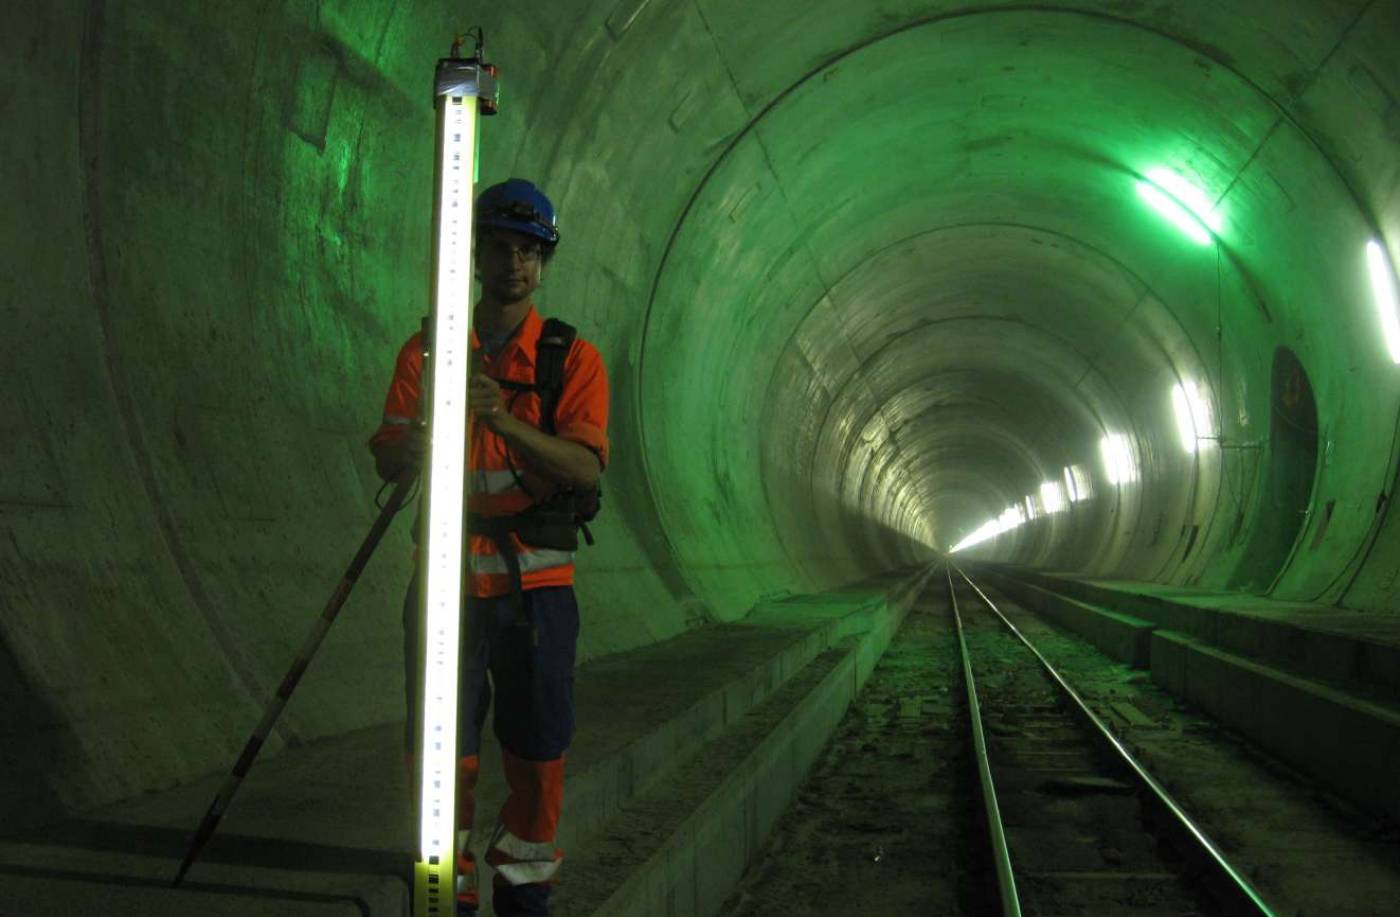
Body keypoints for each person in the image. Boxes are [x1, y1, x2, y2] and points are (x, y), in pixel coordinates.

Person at [368, 178, 609, 917]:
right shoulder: (429, 349)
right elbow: (386, 446)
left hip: (536, 591)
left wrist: (502, 422)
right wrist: (405, 450)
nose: (515, 264)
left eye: (530, 251)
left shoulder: (570, 358)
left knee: (538, 752)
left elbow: (585, 465)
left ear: (544, 263)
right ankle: (449, 885)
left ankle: (524, 887)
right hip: (446, 585)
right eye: (502, 247)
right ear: (476, 254)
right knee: (444, 752)